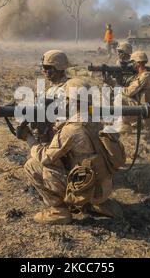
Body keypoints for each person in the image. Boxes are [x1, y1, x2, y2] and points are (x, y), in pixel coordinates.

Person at [19, 76, 124, 225]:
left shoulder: (72, 129)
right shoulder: (95, 121)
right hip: (103, 187)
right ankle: (97, 205)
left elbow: (45, 157)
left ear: (72, 101)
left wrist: (29, 138)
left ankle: (59, 211)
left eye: (65, 99)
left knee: (32, 165)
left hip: (88, 189)